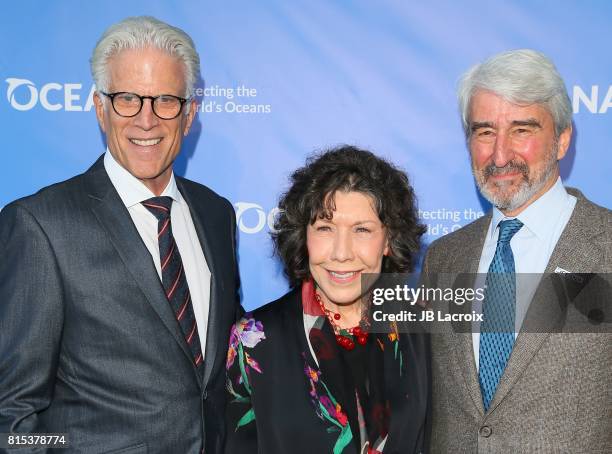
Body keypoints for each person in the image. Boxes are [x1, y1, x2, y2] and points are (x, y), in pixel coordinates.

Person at [0, 16, 239, 454]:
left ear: (189, 114)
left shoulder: (216, 213)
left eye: (165, 100)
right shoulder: (40, 225)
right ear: (99, 108)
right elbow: (11, 411)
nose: (146, 120)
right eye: (127, 98)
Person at [423, 49, 612, 452]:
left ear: (562, 139)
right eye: (485, 131)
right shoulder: (443, 257)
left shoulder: (607, 246)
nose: (500, 154)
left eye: (522, 130)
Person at [225, 146, 429, 454]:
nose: (341, 252)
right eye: (325, 228)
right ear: (303, 237)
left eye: (362, 229)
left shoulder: (418, 330)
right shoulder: (254, 339)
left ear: (388, 240)